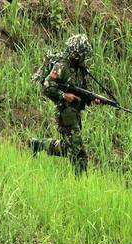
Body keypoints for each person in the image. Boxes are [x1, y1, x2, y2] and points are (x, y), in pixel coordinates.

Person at [31, 34, 102, 174]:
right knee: (78, 151)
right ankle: (80, 181)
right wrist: (64, 96)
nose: (84, 58)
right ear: (76, 54)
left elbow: (82, 92)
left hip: (75, 113)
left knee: (68, 148)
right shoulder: (61, 66)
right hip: (65, 112)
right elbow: (47, 86)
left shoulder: (80, 70)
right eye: (82, 55)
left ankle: (39, 144)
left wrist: (92, 99)